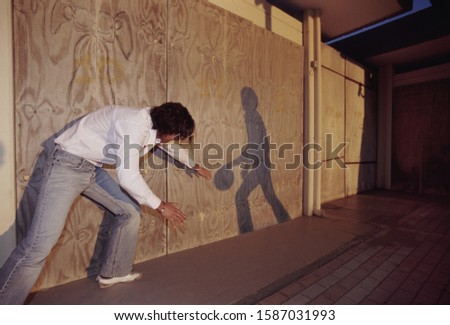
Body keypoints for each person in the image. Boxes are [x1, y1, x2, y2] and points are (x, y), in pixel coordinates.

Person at [0, 102, 211, 304]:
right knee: (38, 246)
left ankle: (113, 272)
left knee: (129, 211)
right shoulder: (133, 124)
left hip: (90, 169)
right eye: (174, 135)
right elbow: (128, 177)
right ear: (167, 129)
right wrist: (161, 206)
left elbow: (169, 147)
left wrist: (193, 165)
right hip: (67, 166)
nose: (173, 139)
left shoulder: (154, 125)